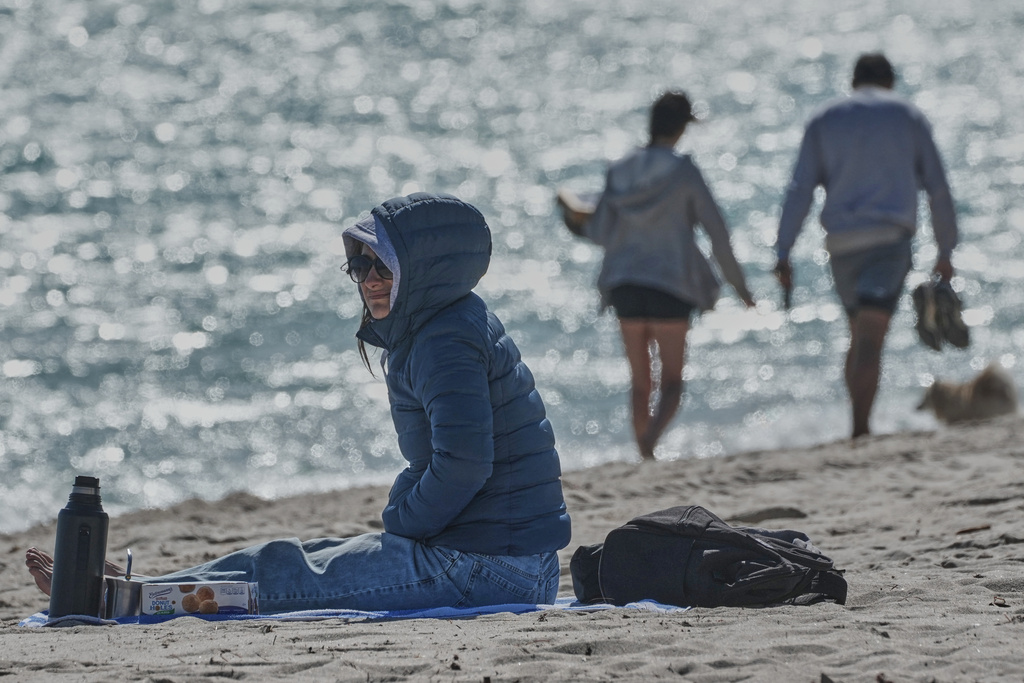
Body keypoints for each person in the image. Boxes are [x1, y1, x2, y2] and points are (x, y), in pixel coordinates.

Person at [27, 193, 571, 614]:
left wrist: (401, 521)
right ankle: (131, 589)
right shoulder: (448, 322)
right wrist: (406, 517)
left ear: (423, 271)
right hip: (506, 560)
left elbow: (464, 464)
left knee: (293, 577)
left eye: (385, 267)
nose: (371, 282)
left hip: (488, 570)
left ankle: (122, 600)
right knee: (291, 559)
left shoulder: (443, 343)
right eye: (361, 268)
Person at [774, 53, 959, 439]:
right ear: (889, 81)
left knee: (858, 333)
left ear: (854, 79)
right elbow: (938, 188)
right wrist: (946, 251)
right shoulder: (907, 115)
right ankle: (860, 429)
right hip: (888, 241)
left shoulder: (824, 118)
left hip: (840, 246)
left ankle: (856, 422)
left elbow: (799, 190)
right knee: (871, 337)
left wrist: (783, 250)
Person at [570, 91, 756, 460]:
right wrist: (741, 288)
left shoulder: (619, 168)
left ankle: (643, 453)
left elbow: (601, 232)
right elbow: (717, 232)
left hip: (624, 283)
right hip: (671, 283)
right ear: (682, 127)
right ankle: (649, 444)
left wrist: (572, 218)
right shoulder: (683, 170)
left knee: (641, 381)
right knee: (672, 381)